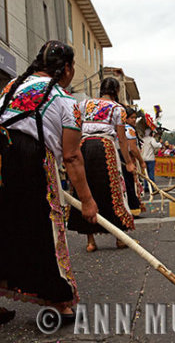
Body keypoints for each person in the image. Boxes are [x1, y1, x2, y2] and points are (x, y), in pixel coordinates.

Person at [0, 41, 98, 323]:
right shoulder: (66, 100)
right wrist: (88, 202)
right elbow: (71, 157)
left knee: (2, 226)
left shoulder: (11, 88)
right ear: (66, 68)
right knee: (42, 228)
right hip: (31, 160)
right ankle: (58, 301)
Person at [68, 77, 135, 252]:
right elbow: (121, 139)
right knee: (112, 190)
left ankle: (90, 241)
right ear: (116, 91)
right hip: (105, 147)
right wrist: (128, 162)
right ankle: (119, 238)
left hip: (83, 147)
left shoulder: (84, 104)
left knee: (86, 188)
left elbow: (75, 127)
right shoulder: (118, 109)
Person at [120, 107, 146, 216]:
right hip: (127, 160)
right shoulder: (128, 129)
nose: (134, 120)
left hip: (119, 158)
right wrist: (141, 162)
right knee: (129, 183)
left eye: (135, 118)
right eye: (131, 118)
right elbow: (133, 148)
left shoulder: (119, 128)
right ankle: (133, 208)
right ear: (125, 118)